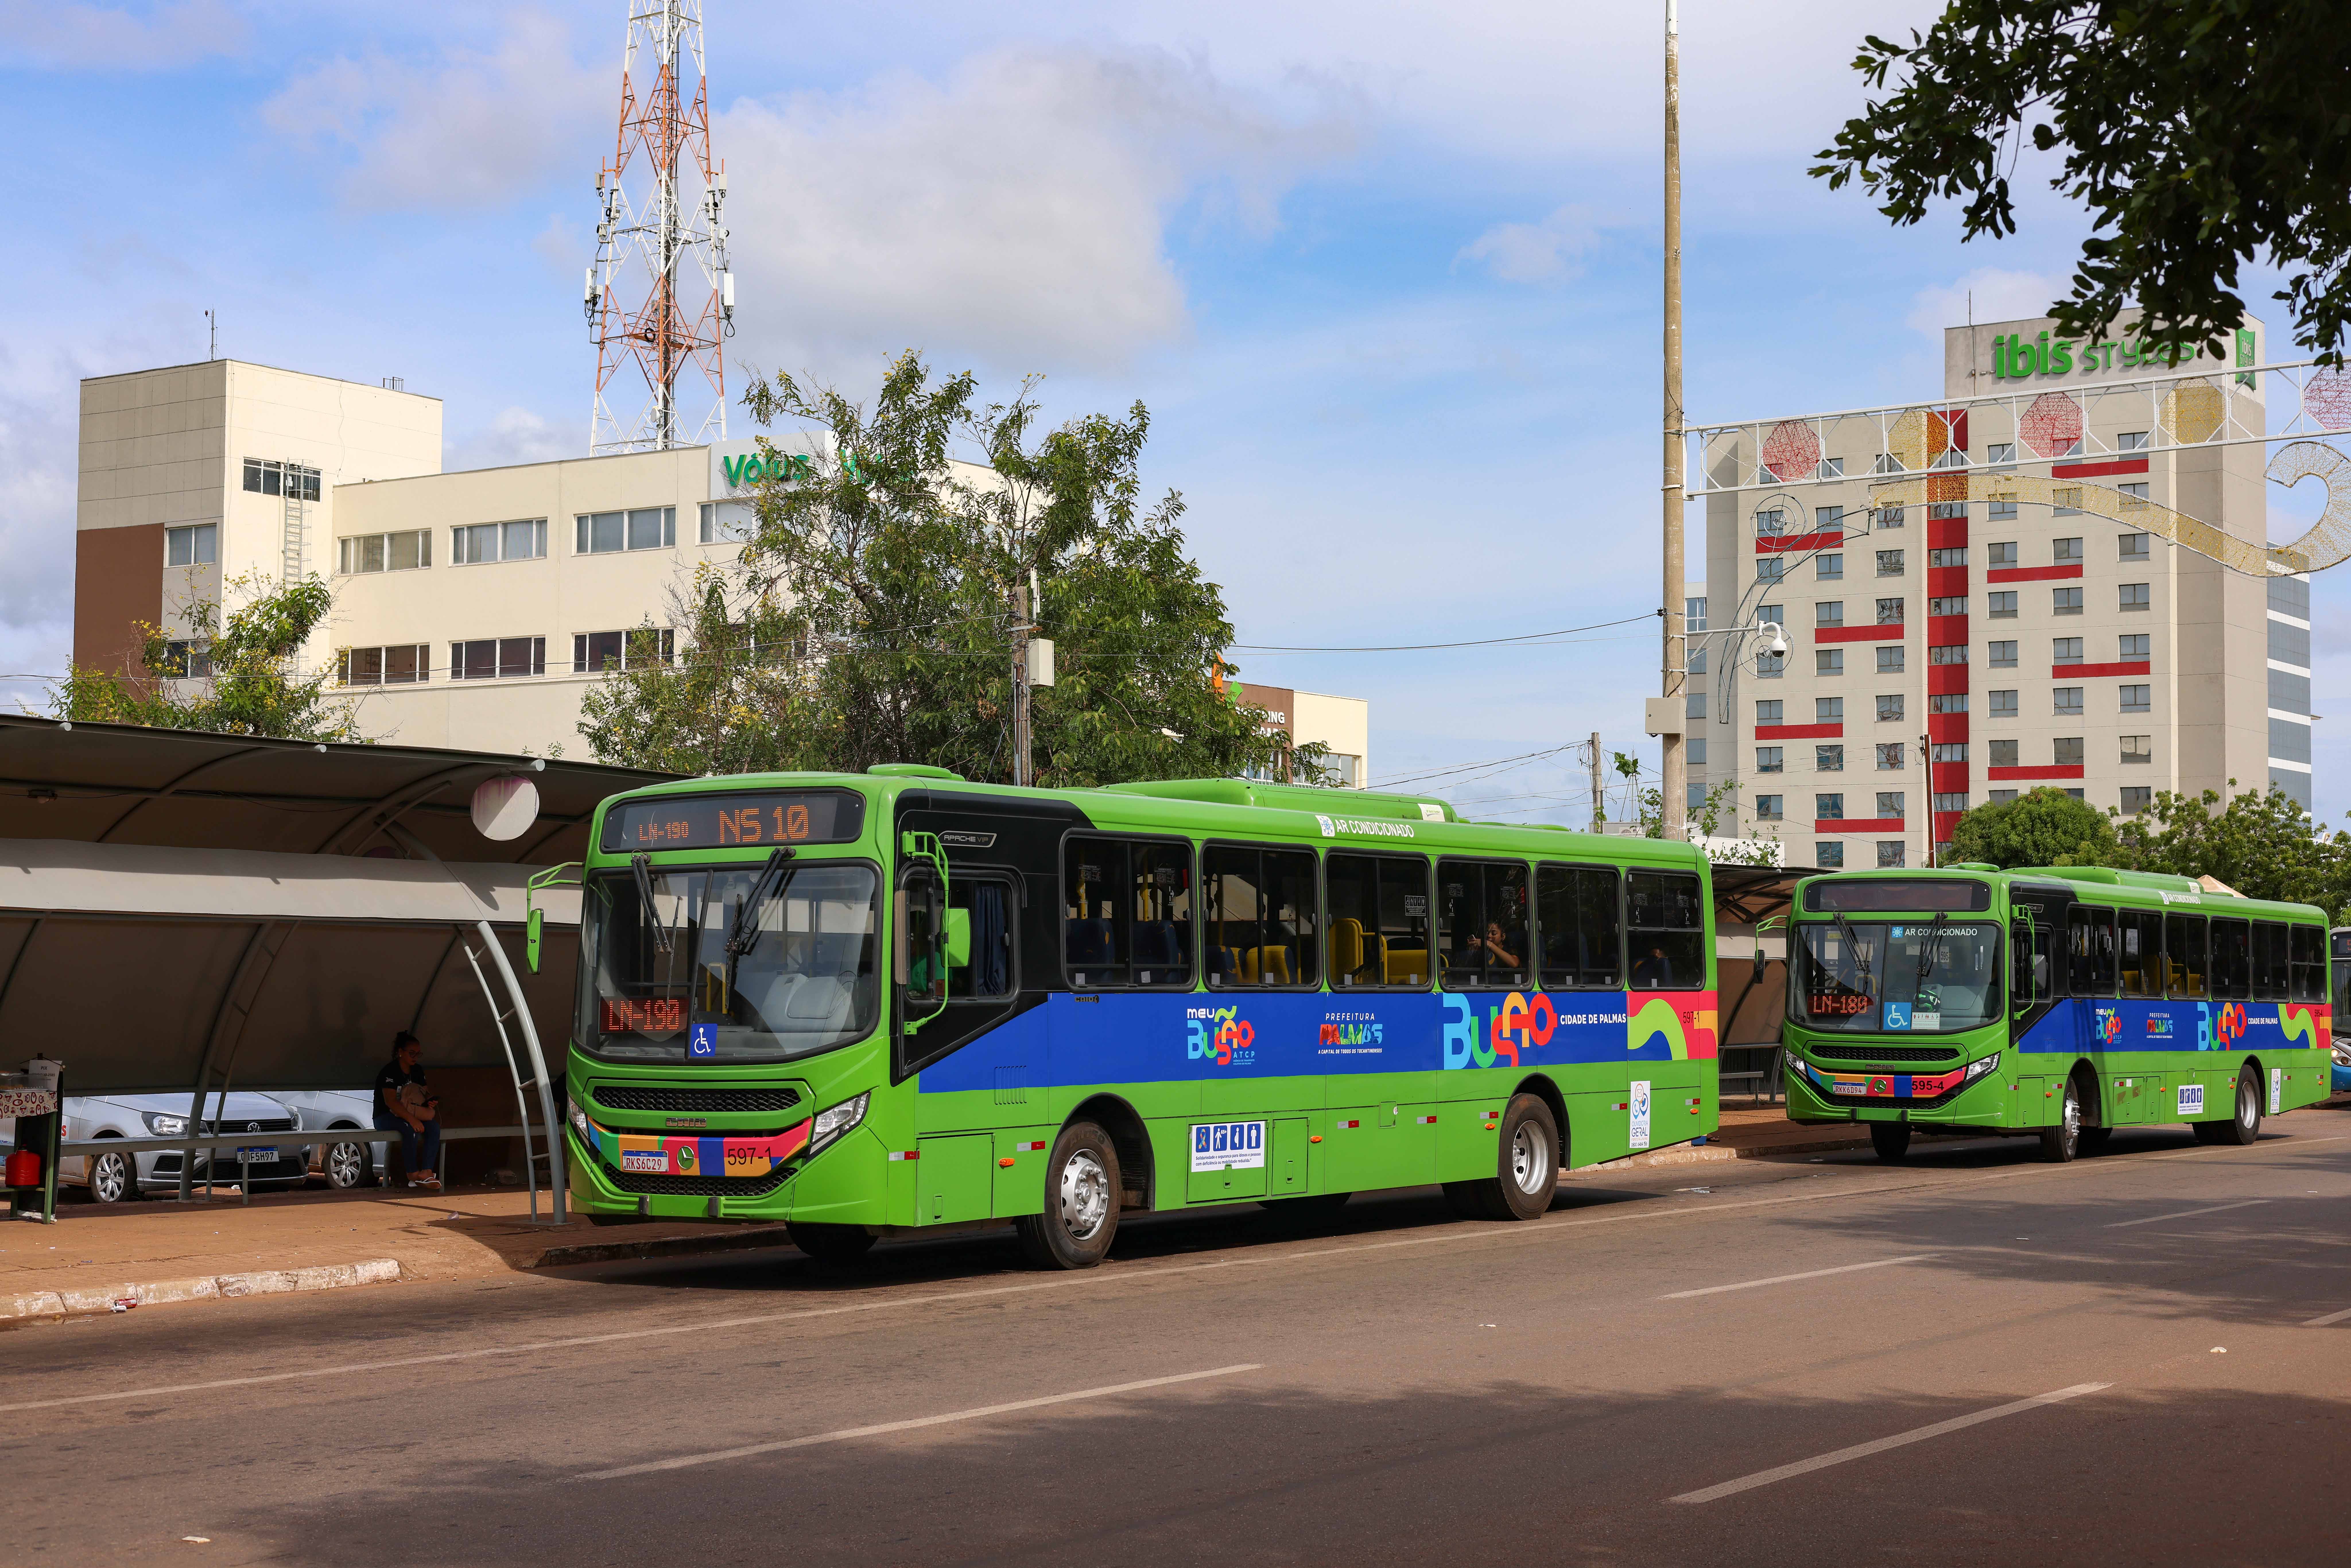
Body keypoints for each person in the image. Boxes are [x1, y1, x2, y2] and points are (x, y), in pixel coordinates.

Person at [372, 1030, 442, 1189]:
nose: (415, 1057)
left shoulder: (418, 1071)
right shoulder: (389, 1072)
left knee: (434, 1127)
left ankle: (427, 1172)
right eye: (412, 1053)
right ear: (400, 1053)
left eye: (419, 1054)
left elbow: (424, 1095)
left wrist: (429, 1104)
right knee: (409, 1129)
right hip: (385, 1116)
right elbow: (391, 1102)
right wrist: (413, 1120)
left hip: (412, 1114)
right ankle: (412, 1174)